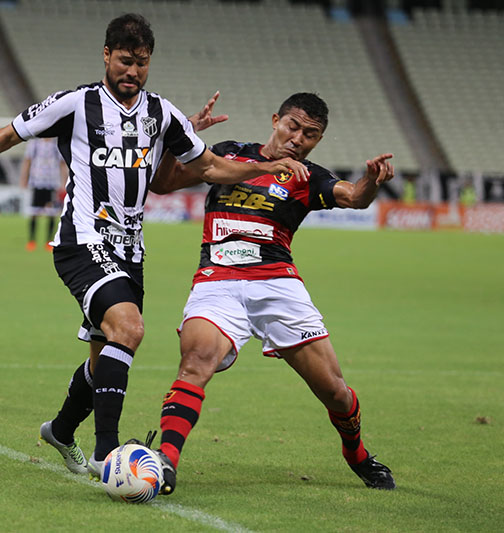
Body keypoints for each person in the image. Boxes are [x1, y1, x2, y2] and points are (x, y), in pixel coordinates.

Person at [0, 13, 306, 478]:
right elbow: (7, 134)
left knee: (104, 356)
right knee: (129, 329)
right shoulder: (75, 103)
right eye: (124, 61)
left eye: (142, 63)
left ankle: (61, 429)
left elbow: (211, 167)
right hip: (82, 240)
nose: (132, 71)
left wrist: (258, 166)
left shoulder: (162, 114)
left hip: (130, 251)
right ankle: (107, 455)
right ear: (107, 56)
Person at [147, 92, 397, 494]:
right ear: (276, 119)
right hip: (218, 280)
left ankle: (358, 455)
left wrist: (371, 180)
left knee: (334, 391)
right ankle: (166, 462)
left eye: (311, 134)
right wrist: (185, 134)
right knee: (196, 361)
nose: (299, 138)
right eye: (293, 126)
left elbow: (353, 197)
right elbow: (161, 183)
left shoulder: (309, 176)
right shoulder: (230, 155)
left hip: (277, 285)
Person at [18, 138, 67, 251]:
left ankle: (49, 241)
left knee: (51, 212)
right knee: (34, 212)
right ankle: (32, 240)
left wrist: (63, 183)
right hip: (37, 181)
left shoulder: (56, 144)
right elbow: (27, 161)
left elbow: (62, 164)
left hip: (52, 183)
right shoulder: (34, 144)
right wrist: (23, 179)